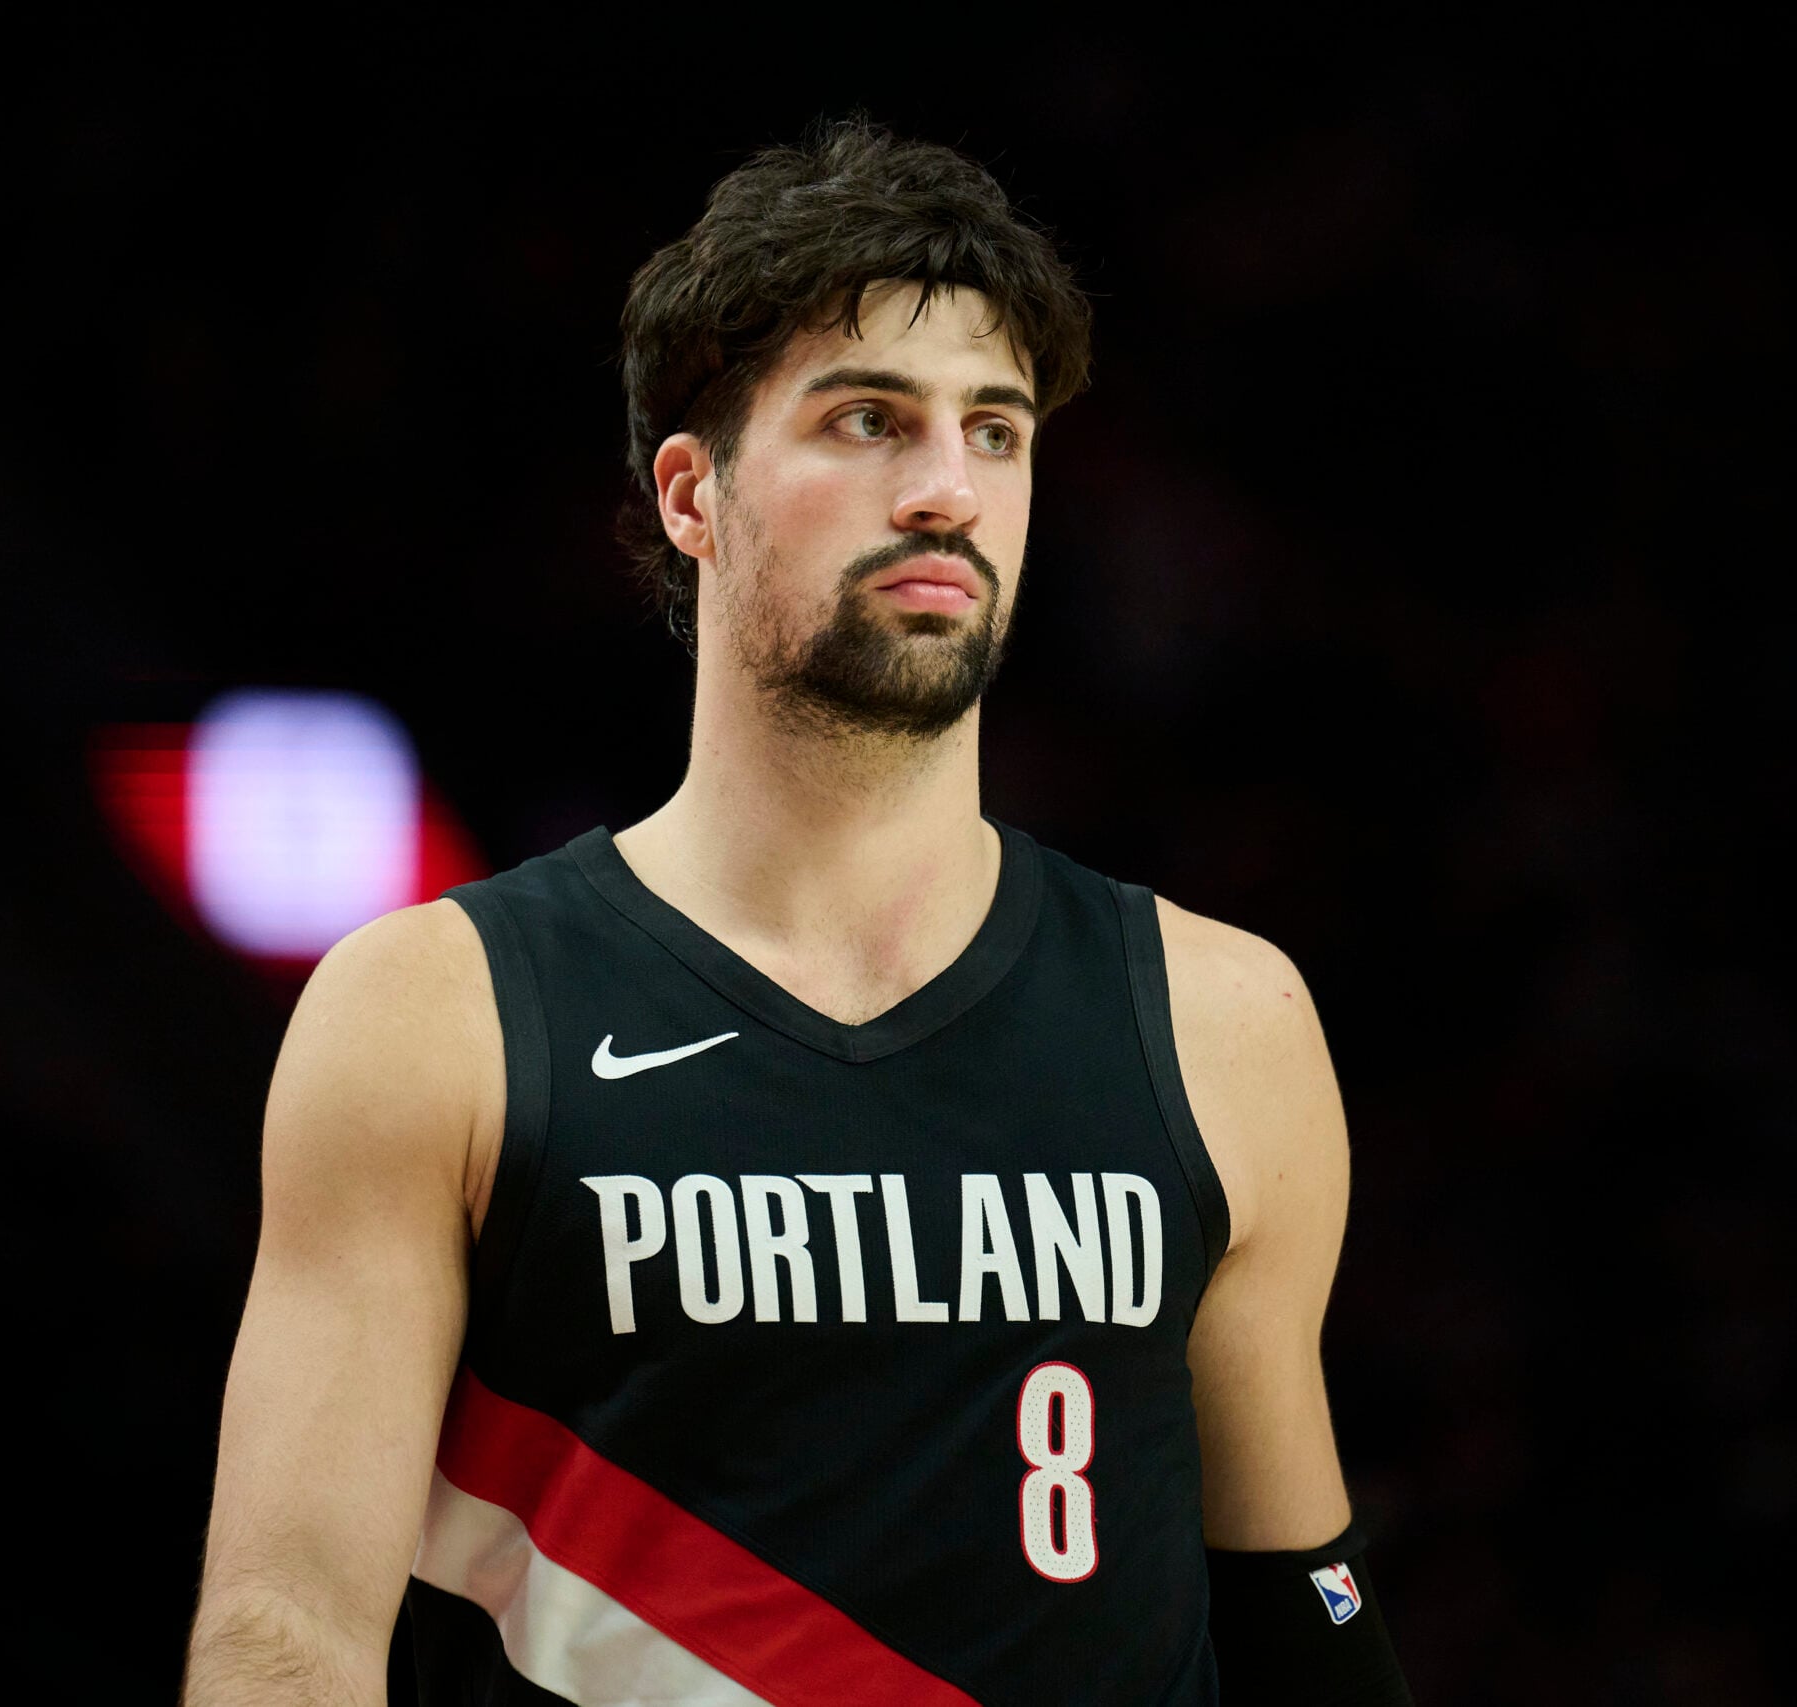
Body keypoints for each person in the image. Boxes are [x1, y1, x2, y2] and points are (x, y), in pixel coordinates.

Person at [182, 118, 1414, 1706]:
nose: (947, 488)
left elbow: (1299, 1615)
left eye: (996, 430)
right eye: (868, 421)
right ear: (693, 495)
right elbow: (288, 1632)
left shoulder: (1223, 1019)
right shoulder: (440, 1011)